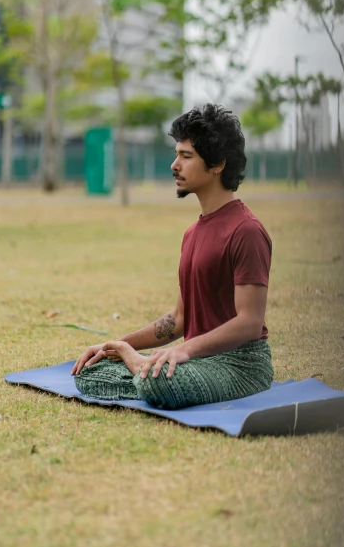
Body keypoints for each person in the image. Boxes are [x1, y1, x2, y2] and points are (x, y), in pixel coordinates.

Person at [72, 103, 274, 410]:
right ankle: (141, 367)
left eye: (186, 156)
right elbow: (179, 319)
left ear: (218, 163)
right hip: (198, 360)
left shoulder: (246, 231)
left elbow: (249, 322)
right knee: (91, 373)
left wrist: (184, 351)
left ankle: (143, 369)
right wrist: (118, 345)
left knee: (157, 380)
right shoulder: (192, 234)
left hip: (240, 365)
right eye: (176, 154)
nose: (174, 165)